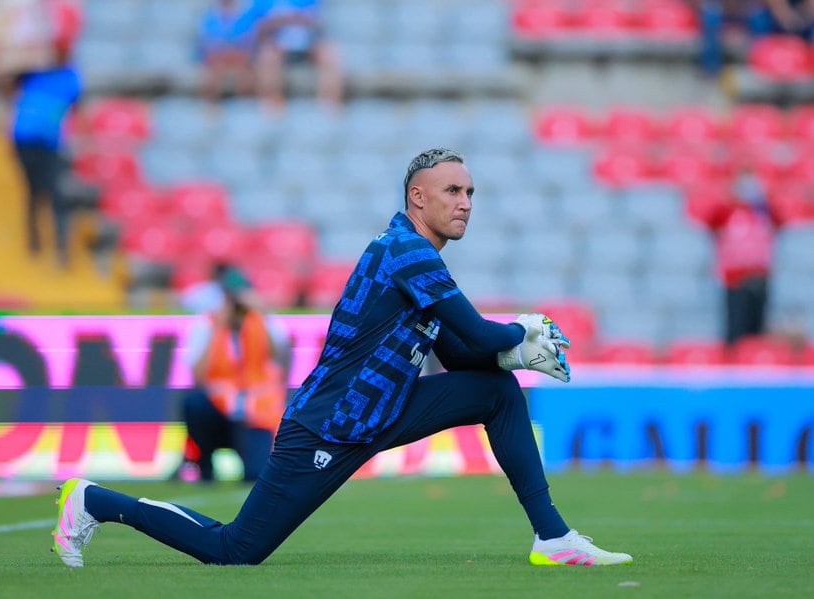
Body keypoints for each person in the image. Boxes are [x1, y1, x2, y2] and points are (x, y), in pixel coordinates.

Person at [51, 148, 633, 568]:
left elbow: (462, 353)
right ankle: (93, 501)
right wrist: (518, 335)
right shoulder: (406, 250)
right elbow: (480, 336)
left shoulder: (415, 255)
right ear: (417, 196)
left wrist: (509, 353)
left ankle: (552, 537)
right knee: (235, 551)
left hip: (382, 410)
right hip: (329, 423)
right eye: (453, 191)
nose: (465, 203)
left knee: (496, 392)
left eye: (470, 192)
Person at [171, 265, 292, 484]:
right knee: (194, 403)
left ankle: (249, 460)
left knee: (256, 475)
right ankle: (204, 463)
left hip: (254, 414)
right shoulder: (207, 325)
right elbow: (198, 376)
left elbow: (280, 360)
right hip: (219, 410)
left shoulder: (265, 322)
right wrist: (218, 328)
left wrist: (261, 315)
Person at [0, 0, 84, 268]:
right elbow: (5, 85)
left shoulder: (69, 76)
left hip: (50, 142)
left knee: (52, 192)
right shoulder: (33, 71)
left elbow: (77, 107)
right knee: (34, 190)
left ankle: (60, 248)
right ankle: (35, 244)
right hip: (24, 139)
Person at [712, 165, 778, 344]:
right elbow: (710, 220)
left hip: (759, 279)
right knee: (736, 329)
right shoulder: (727, 211)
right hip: (735, 281)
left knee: (757, 331)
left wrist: (762, 200)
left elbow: (780, 221)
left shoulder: (763, 211)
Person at [254, 0, 343, 109]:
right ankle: (272, 105)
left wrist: (286, 20)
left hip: (308, 45)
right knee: (267, 55)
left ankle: (328, 105)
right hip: (277, 46)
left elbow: (316, 22)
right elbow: (259, 27)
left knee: (330, 53)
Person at [196, 0, 270, 103]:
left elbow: (248, 41)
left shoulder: (245, 16)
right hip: (217, 57)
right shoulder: (210, 17)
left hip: (240, 56)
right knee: (212, 71)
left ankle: (245, 105)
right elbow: (207, 42)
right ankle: (210, 107)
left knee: (246, 73)